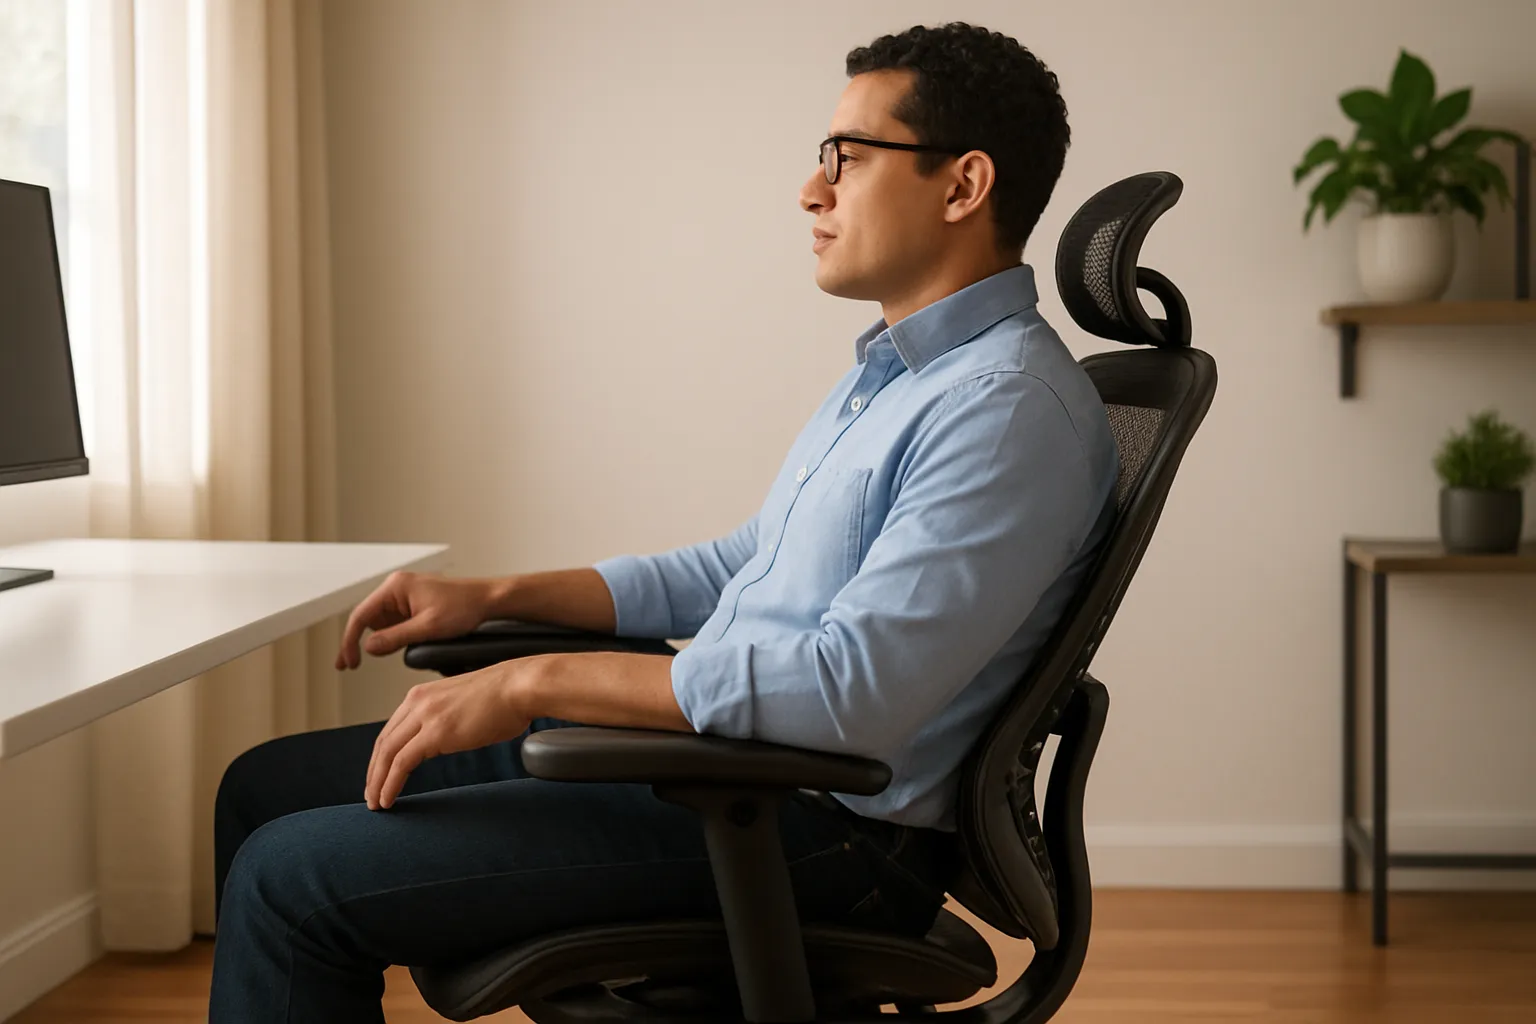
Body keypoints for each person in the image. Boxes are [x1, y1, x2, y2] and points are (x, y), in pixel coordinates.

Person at [208, 21, 1117, 1022]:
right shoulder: (900, 375)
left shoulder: (1007, 410)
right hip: (721, 772)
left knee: (288, 878)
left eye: (847, 159)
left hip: (811, 828)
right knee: (264, 788)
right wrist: (492, 599)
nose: (811, 191)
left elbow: (848, 695)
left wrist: (534, 680)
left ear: (962, 185)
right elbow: (743, 565)